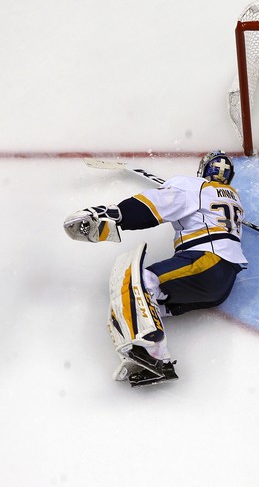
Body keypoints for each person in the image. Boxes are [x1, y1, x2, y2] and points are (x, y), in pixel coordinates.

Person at [63, 150, 248, 387]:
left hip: (205, 261)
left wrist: (113, 215)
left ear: (203, 170)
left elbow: (156, 205)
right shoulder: (234, 199)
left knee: (137, 281)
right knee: (146, 306)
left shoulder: (194, 187)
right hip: (222, 283)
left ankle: (153, 355)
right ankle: (145, 352)